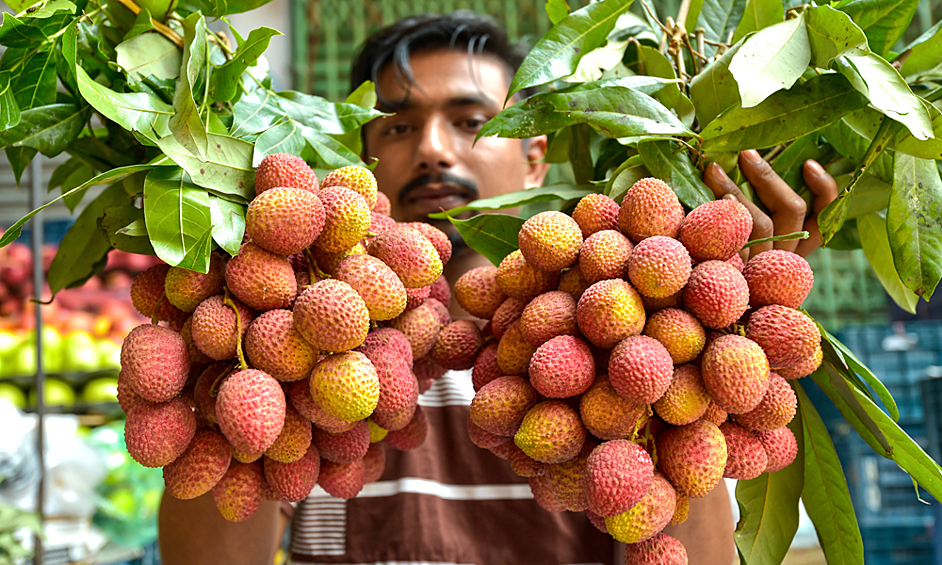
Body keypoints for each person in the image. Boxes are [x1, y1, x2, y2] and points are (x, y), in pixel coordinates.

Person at [158, 11, 839, 565]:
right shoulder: (308, 342)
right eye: (397, 125)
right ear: (362, 159)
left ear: (532, 150)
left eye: (470, 120)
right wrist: (215, 299)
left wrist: (724, 310)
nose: (432, 147)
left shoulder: (617, 330)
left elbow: (680, 526)